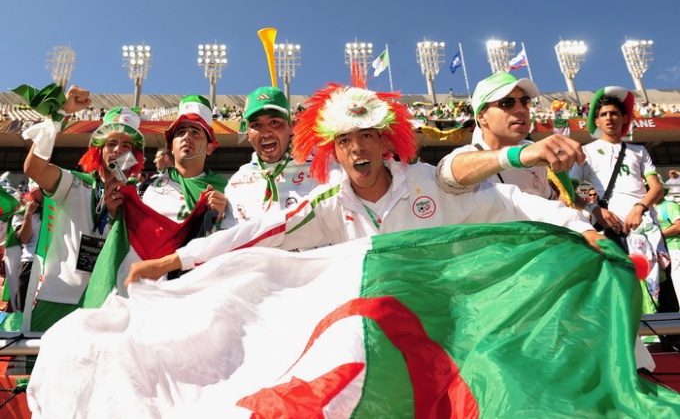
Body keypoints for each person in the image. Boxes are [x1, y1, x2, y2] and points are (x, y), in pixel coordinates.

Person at [126, 84, 602, 285]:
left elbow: (509, 200)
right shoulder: (327, 204)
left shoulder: (425, 182)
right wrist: (173, 260)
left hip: (444, 320)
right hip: (370, 334)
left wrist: (575, 225)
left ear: (386, 141)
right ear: (332, 149)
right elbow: (255, 233)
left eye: (368, 136)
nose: (359, 149)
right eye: (346, 140)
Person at [21, 84, 146, 328]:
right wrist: (58, 116)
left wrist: (113, 216)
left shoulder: (136, 200)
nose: (118, 150)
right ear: (98, 150)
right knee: (38, 364)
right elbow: (34, 169)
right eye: (111, 143)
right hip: (59, 294)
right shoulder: (73, 183)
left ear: (135, 158)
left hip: (108, 301)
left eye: (126, 146)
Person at [570, 86, 675, 311]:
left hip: (647, 229)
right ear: (596, 121)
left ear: (624, 118)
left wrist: (639, 207)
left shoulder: (639, 151)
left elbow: (656, 188)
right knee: (624, 292)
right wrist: (595, 209)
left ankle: (668, 343)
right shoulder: (586, 152)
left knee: (661, 292)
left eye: (614, 113)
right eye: (604, 114)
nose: (610, 118)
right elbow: (569, 191)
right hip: (613, 230)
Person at [436, 72, 584, 202]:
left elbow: (551, 208)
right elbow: (447, 175)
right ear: (482, 116)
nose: (520, 109)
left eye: (525, 101)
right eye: (506, 103)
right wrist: (517, 156)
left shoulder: (536, 161)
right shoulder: (466, 156)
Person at [223, 86, 327, 227]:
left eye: (274, 122)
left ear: (291, 127)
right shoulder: (236, 183)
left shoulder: (322, 169)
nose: (265, 133)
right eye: (256, 124)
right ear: (247, 133)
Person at [141, 94, 227, 228]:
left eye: (195, 132)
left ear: (209, 148)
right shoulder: (149, 188)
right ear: (171, 147)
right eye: (181, 132)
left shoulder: (227, 191)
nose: (187, 137)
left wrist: (220, 220)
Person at [11, 182, 42, 311]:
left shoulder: (57, 208)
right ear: (32, 192)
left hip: (53, 264)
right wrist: (28, 215)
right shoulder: (21, 213)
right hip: (29, 263)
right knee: (23, 309)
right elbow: (24, 238)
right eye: (40, 189)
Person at [654, 185, 680, 303]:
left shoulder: (669, 205)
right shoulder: (649, 209)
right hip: (658, 252)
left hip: (674, 249)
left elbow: (678, 226)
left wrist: (657, 235)